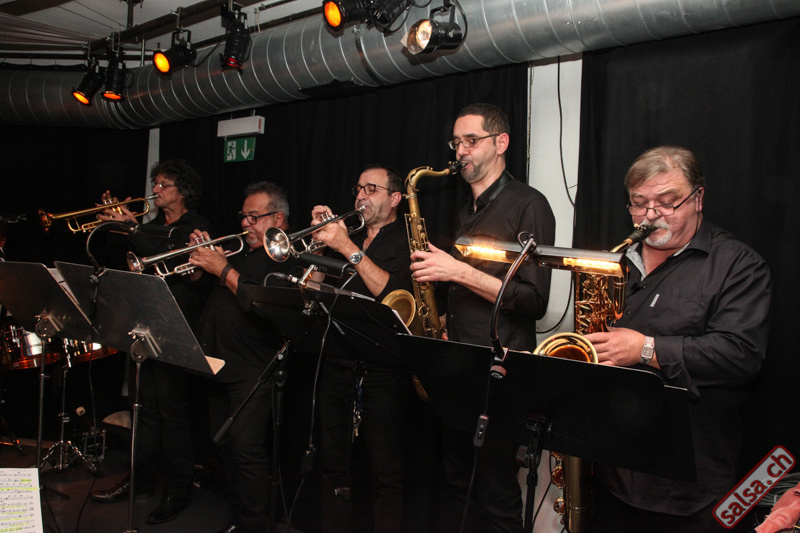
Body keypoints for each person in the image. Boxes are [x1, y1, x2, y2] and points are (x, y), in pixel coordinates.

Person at [584, 146, 772, 532]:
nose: (651, 215)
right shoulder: (615, 263)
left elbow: (740, 355)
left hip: (687, 487)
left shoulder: (739, 265)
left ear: (698, 198)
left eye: (668, 202)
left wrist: (645, 349)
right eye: (639, 203)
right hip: (611, 473)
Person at [410, 103, 556, 533]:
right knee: (460, 487)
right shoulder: (467, 210)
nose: (460, 151)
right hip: (460, 368)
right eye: (456, 142)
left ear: (501, 142)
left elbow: (533, 300)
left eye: (471, 141)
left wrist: (457, 272)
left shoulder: (529, 204)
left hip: (500, 374)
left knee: (496, 496)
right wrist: (445, 320)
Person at [90, 160, 212, 525]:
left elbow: (169, 260)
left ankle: (177, 491)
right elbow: (127, 264)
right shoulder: (152, 225)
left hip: (177, 330)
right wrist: (115, 226)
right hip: (144, 327)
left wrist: (133, 228)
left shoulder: (196, 227)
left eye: (163, 184)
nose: (155, 189)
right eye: (154, 183)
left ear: (183, 191)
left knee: (173, 414)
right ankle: (140, 481)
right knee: (142, 410)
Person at [188, 181, 301, 533]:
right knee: (222, 445)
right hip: (217, 364)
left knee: (246, 451)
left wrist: (221, 268)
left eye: (254, 217)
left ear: (278, 218)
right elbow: (208, 285)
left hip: (253, 371)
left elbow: (260, 303)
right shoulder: (240, 252)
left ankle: (255, 524)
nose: (244, 224)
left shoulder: (287, 256)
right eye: (244, 216)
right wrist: (199, 262)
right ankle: (239, 518)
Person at [310, 164, 413, 533]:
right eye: (358, 188)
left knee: (385, 472)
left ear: (395, 198)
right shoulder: (347, 235)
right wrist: (321, 244)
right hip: (337, 363)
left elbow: (393, 295)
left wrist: (345, 246)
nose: (360, 196)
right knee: (333, 465)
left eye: (371, 189)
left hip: (383, 371)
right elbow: (311, 290)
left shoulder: (406, 239)